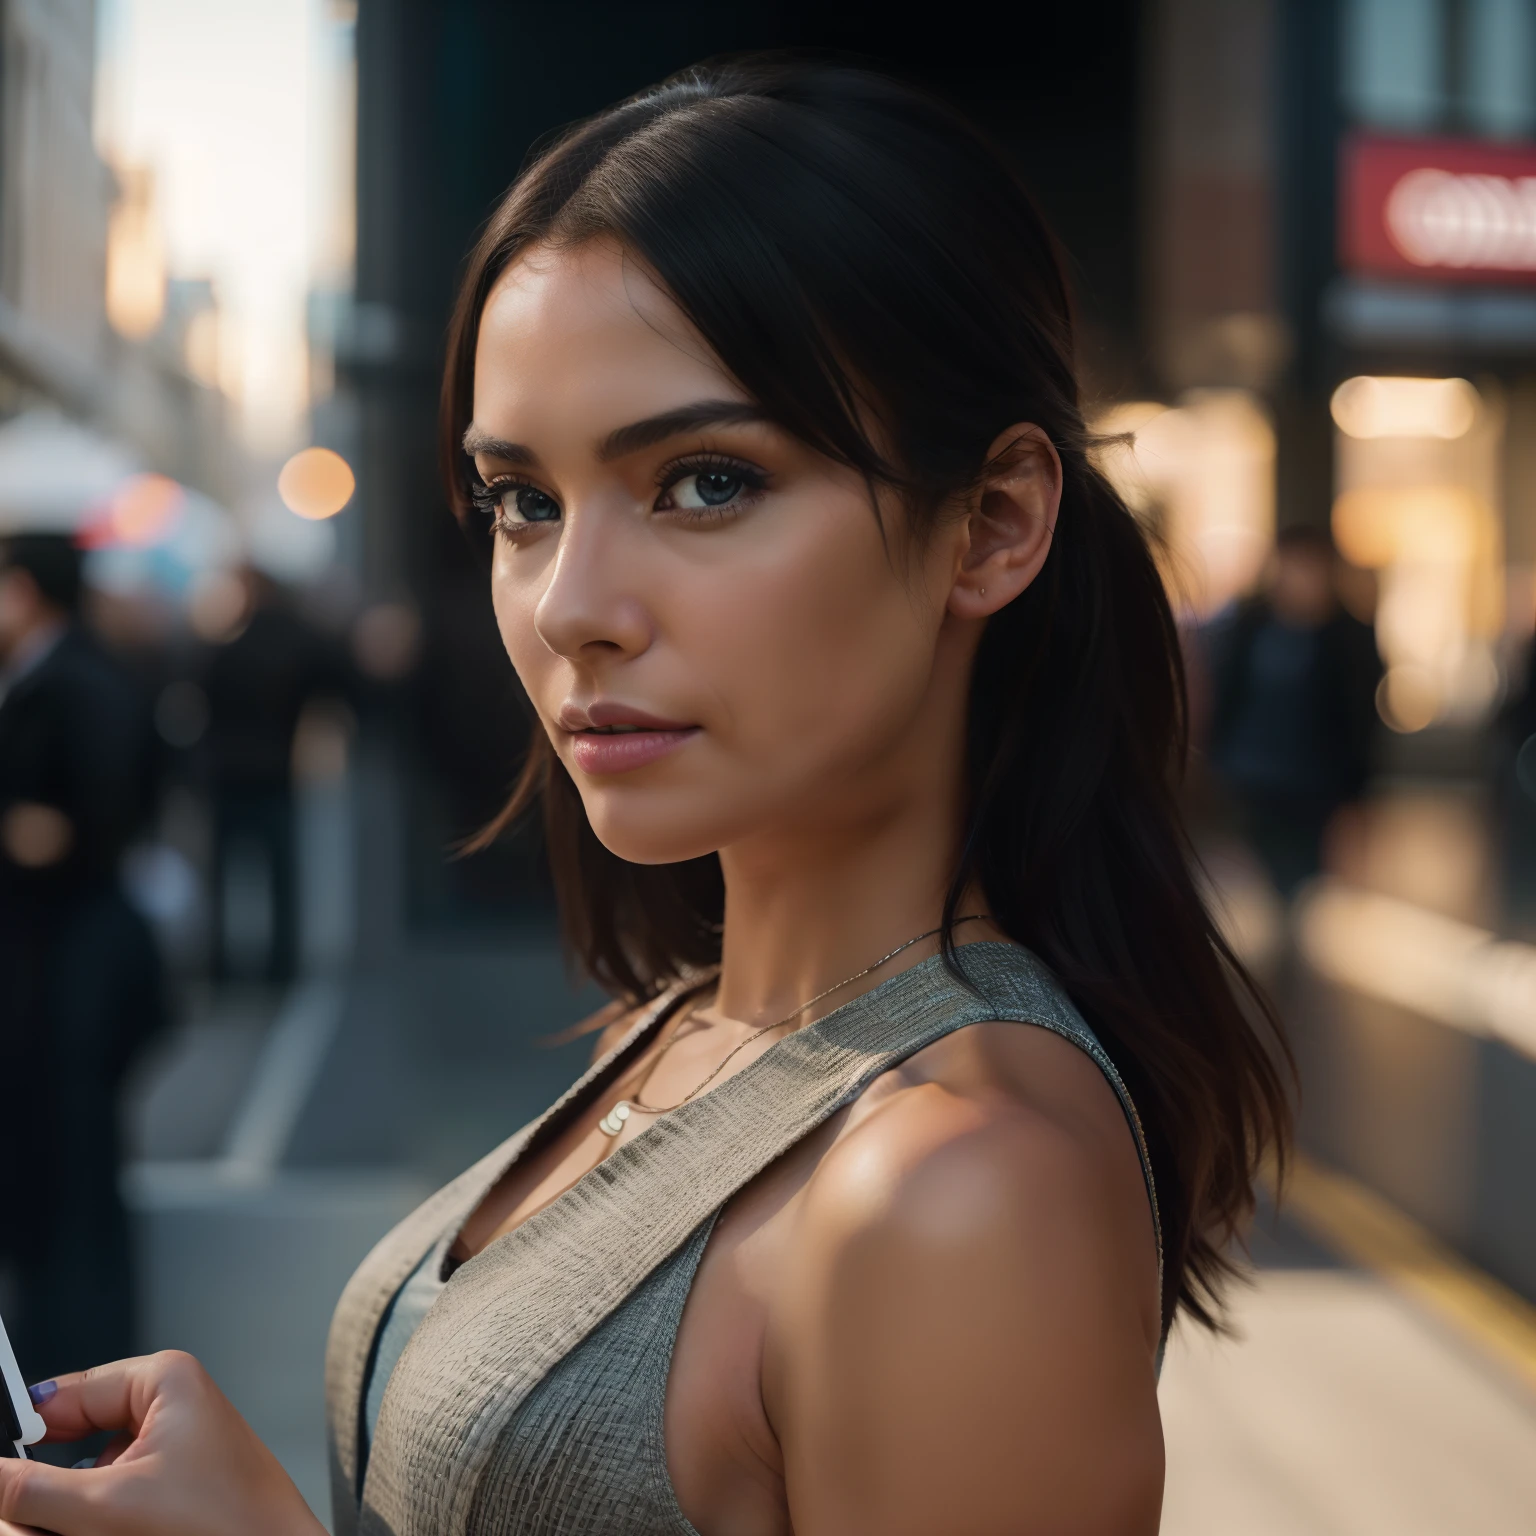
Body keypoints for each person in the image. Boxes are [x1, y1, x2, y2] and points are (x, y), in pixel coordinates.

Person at [0, 60, 1289, 1536]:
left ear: (991, 526)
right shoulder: (683, 1018)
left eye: (705, 482)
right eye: (522, 502)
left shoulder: (956, 1193)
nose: (570, 607)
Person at [0, 533, 162, 1387]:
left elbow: (85, 824)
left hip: (70, 970)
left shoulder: (73, 681)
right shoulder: (73, 671)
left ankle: (74, 1375)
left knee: (72, 1168)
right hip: (60, 965)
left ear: (24, 590)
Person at [1202, 526, 1382, 899]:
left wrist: (1355, 792)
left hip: (1314, 782)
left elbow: (1361, 720)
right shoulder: (1250, 626)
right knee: (1252, 872)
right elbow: (1227, 692)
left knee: (1302, 877)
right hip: (1250, 775)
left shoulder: (1349, 639)